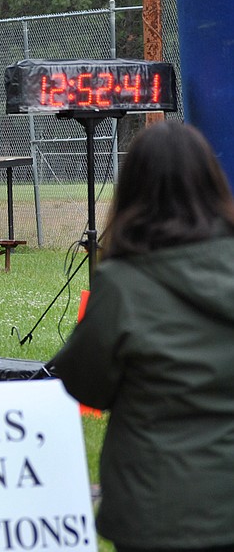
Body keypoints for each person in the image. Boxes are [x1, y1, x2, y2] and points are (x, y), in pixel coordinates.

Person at [49, 120, 234, 552]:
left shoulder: (121, 284)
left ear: (132, 191)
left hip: (157, 509)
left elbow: (85, 384)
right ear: (212, 181)